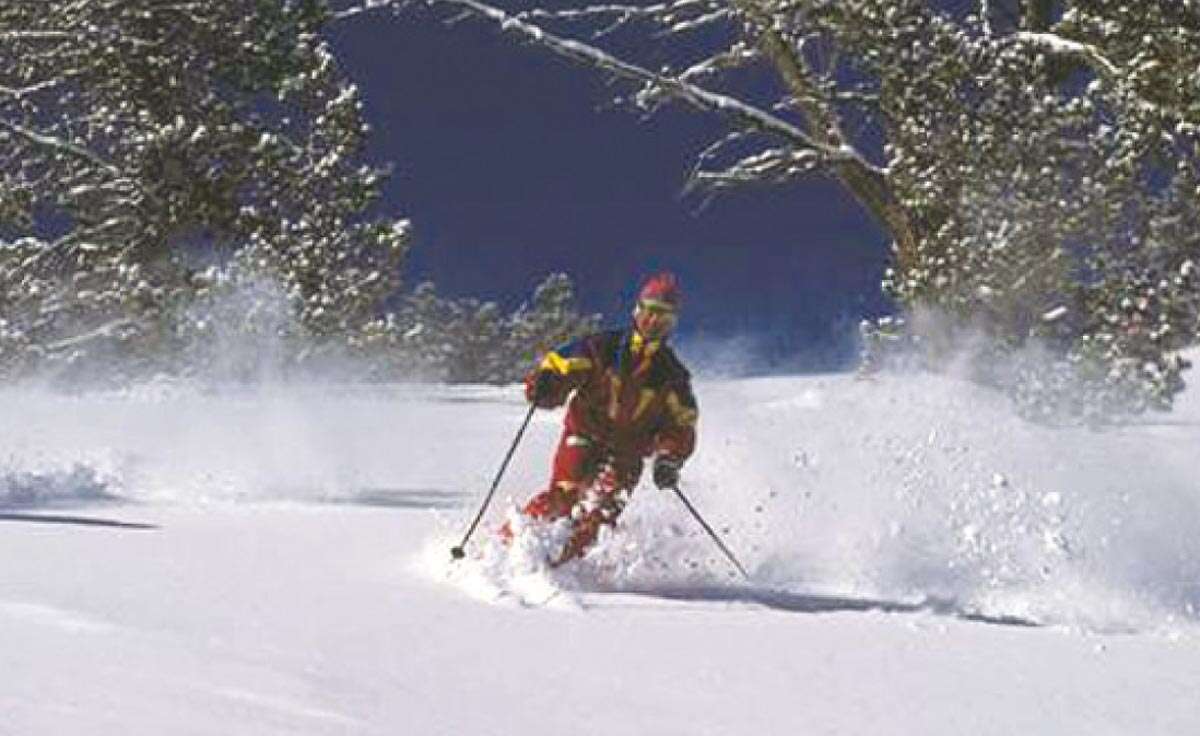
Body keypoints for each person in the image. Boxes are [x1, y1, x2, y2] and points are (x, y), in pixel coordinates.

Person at [505, 272, 699, 564]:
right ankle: (508, 546)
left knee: (600, 512)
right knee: (564, 496)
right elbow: (560, 365)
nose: (654, 322)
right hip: (584, 434)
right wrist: (546, 384)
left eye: (665, 317)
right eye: (650, 311)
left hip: (627, 454)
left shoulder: (671, 375)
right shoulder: (603, 347)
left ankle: (563, 566)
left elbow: (681, 425)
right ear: (637, 310)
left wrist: (669, 459)